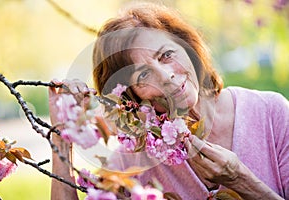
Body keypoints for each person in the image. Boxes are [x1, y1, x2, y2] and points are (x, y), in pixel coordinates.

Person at [49, 2, 289, 199]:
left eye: (166, 55)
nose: (165, 77)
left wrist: (240, 180)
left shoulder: (271, 113)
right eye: (143, 75)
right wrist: (61, 136)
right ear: (130, 95)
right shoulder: (133, 159)